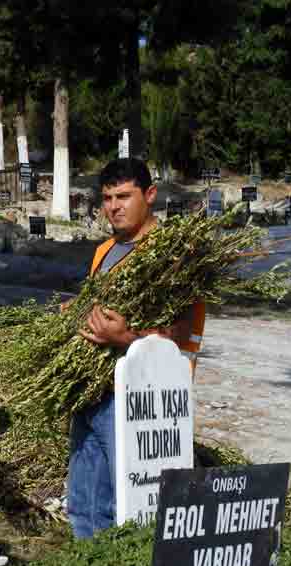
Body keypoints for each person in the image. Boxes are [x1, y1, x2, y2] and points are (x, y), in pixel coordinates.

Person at [65, 158, 205, 539]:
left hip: (142, 399)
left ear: (150, 195)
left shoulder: (175, 254)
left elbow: (178, 335)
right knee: (84, 504)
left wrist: (125, 338)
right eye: (107, 197)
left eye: (124, 196)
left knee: (134, 510)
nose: (114, 206)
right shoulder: (104, 251)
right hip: (92, 391)